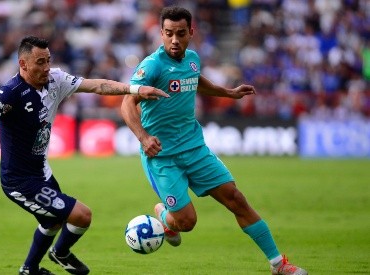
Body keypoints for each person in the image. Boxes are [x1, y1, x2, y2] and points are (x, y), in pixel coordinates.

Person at [121, 6, 308, 275]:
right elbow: (127, 103)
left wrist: (228, 93)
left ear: (191, 33)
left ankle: (278, 264)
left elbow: (195, 80)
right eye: (169, 34)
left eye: (181, 34)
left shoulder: (193, 59)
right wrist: (143, 137)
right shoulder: (152, 66)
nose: (175, 40)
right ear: (161, 34)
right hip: (162, 156)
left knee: (236, 199)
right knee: (187, 222)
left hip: (195, 148)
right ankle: (165, 216)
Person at [0, 36, 168, 275]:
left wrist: (135, 89)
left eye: (48, 60)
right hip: (19, 181)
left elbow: (97, 86)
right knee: (81, 216)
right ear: (23, 64)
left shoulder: (56, 79)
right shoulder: (11, 93)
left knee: (51, 222)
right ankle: (60, 252)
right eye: (40, 62)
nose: (46, 67)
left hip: (42, 171)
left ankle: (29, 269)